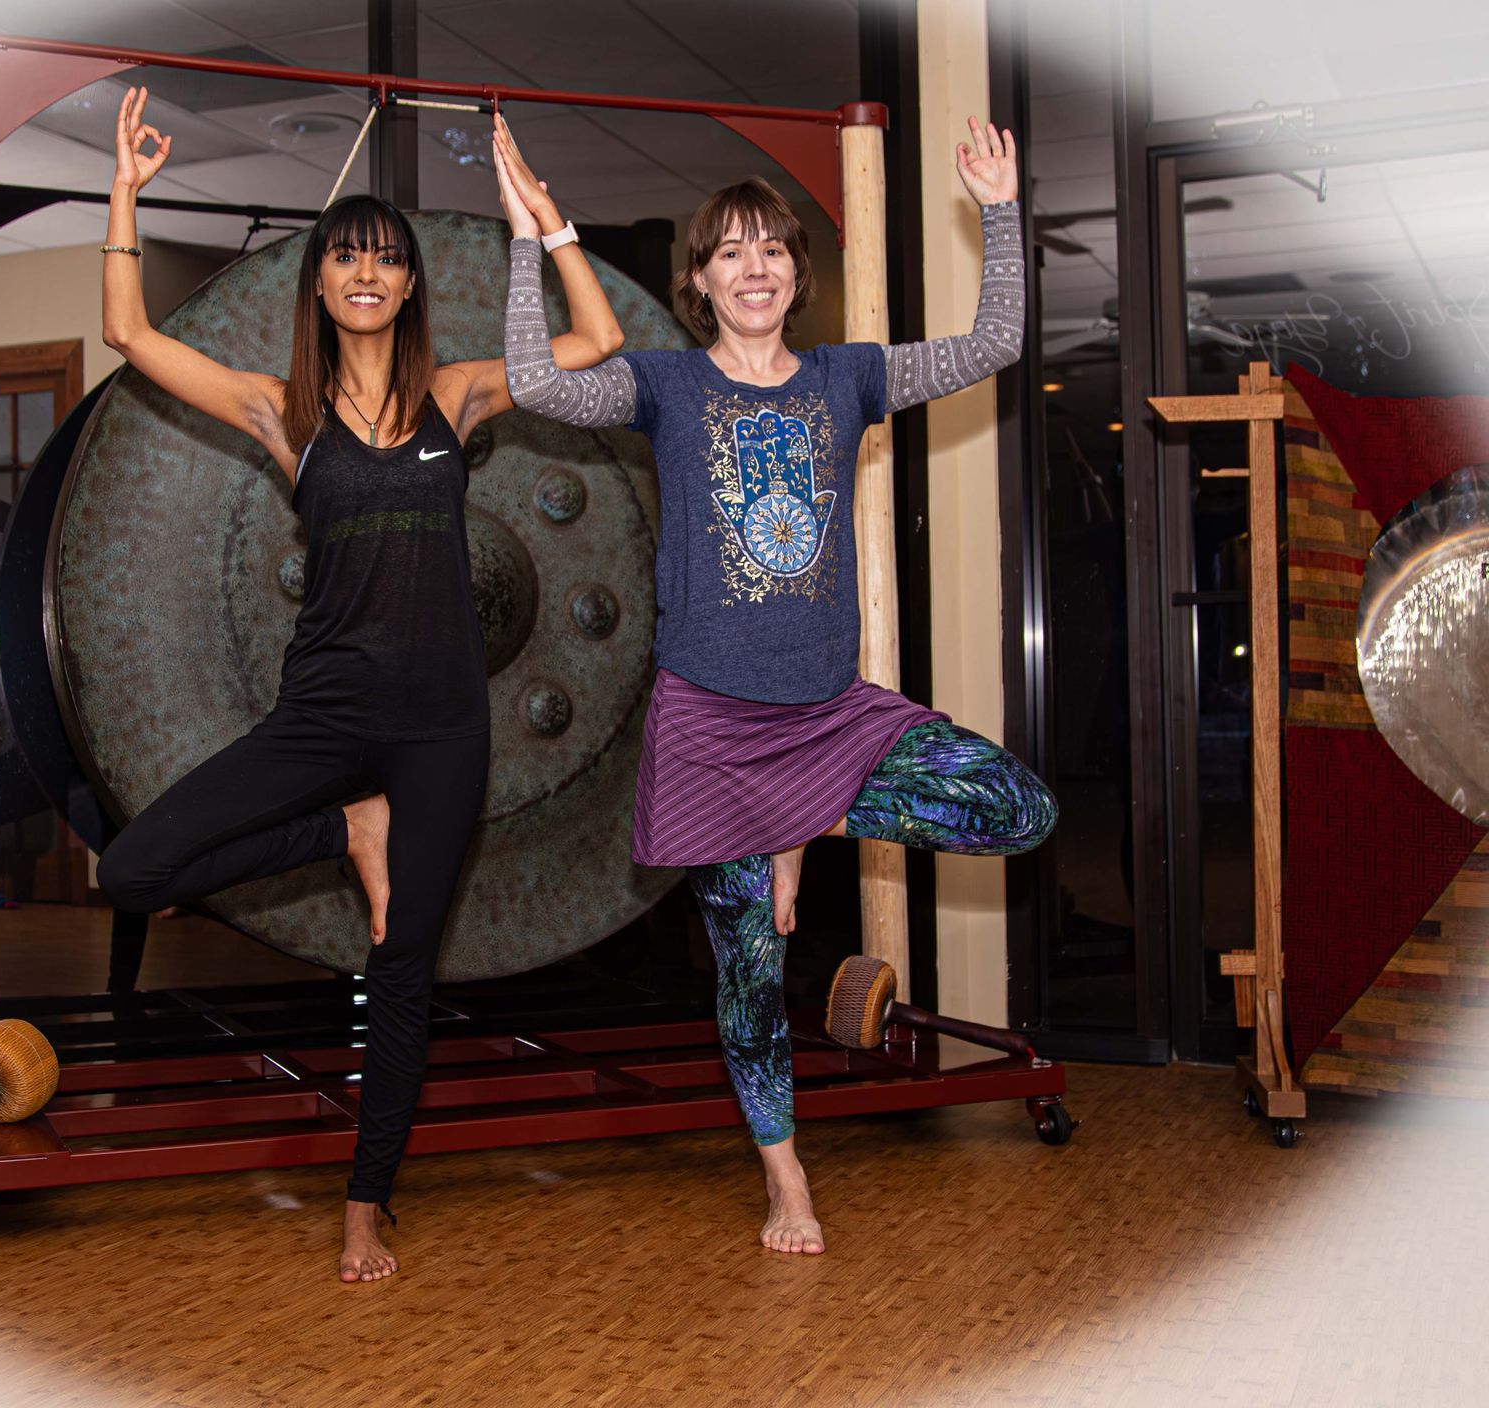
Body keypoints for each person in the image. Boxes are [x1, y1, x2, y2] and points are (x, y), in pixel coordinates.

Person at [496, 115, 1056, 1256]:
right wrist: (531, 240)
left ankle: (816, 809)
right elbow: (525, 379)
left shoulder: (850, 377)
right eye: (731, 253)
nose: (756, 269)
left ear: (798, 272)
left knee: (1018, 808)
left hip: (830, 720)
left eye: (774, 250)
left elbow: (994, 341)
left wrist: (999, 210)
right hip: (710, 726)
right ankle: (786, 1180)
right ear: (700, 280)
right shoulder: (664, 385)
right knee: (750, 977)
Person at [94, 88, 622, 1282]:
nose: (367, 273)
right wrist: (124, 192)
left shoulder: (459, 396)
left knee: (403, 964)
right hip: (324, 718)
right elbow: (130, 333)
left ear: (410, 285)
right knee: (133, 868)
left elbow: (596, 347)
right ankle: (343, 822)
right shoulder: (280, 412)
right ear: (320, 285)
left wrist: (546, 222)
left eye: (386, 258)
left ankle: (365, 1199)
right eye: (347, 257)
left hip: (443, 729)